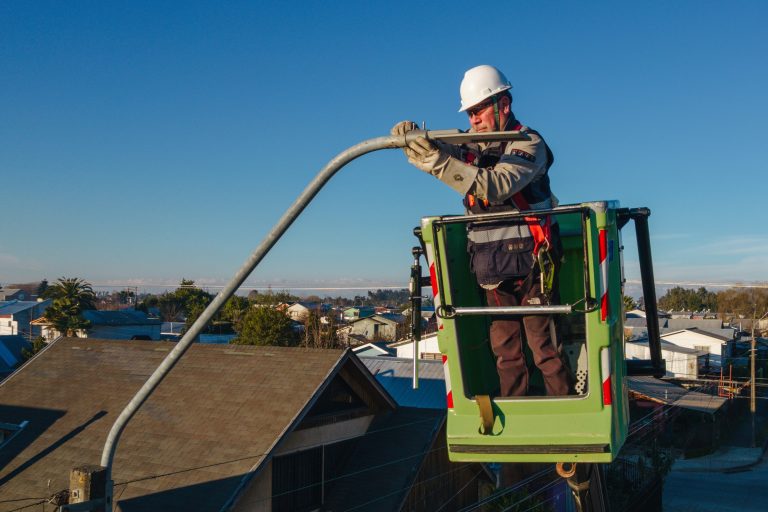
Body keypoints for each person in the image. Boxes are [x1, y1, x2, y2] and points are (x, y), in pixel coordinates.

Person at [392, 64, 571, 397]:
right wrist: (412, 137)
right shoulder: (471, 148)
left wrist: (438, 162)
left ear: (504, 105)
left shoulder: (528, 143)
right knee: (506, 352)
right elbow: (440, 151)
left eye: (479, 110)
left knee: (544, 348)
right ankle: (515, 413)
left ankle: (564, 410)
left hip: (534, 267)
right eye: (469, 112)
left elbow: (497, 185)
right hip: (492, 269)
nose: (473, 119)